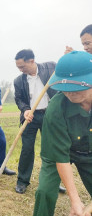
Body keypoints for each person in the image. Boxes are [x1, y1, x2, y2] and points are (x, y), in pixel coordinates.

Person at [33, 51, 92, 216]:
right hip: (57, 154)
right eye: (66, 89)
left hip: (88, 152)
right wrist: (75, 200)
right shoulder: (56, 108)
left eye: (77, 88)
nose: (70, 94)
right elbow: (60, 157)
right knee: (44, 191)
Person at [14, 49, 66, 194]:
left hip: (50, 114)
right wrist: (25, 110)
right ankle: (22, 181)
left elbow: (63, 74)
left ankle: (53, 182)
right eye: (18, 67)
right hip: (30, 117)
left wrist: (66, 57)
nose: (20, 70)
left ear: (31, 61)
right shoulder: (19, 80)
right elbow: (19, 99)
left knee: (51, 149)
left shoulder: (50, 67)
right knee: (27, 149)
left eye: (22, 66)